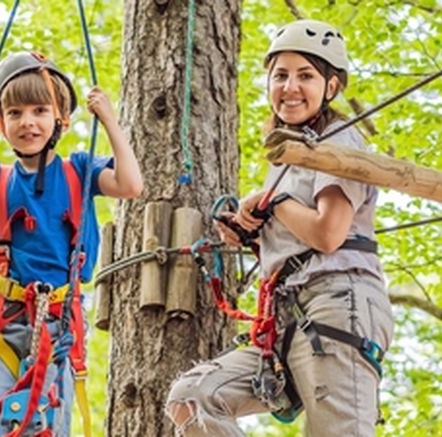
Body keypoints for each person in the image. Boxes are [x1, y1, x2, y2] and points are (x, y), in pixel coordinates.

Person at [166, 20, 394, 437]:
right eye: (280, 75)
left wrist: (276, 202)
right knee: (193, 396)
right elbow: (297, 231)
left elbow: (328, 234)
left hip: (336, 302)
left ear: (331, 87)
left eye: (305, 75)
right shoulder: (290, 155)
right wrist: (254, 230)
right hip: (288, 314)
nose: (290, 87)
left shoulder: (337, 141)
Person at [0, 51, 143, 437]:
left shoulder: (80, 171)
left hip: (58, 325)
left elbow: (130, 185)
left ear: (60, 119)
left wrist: (110, 122)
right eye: (15, 113)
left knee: (46, 428)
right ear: (2, 123)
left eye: (40, 110)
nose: (28, 122)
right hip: (3, 325)